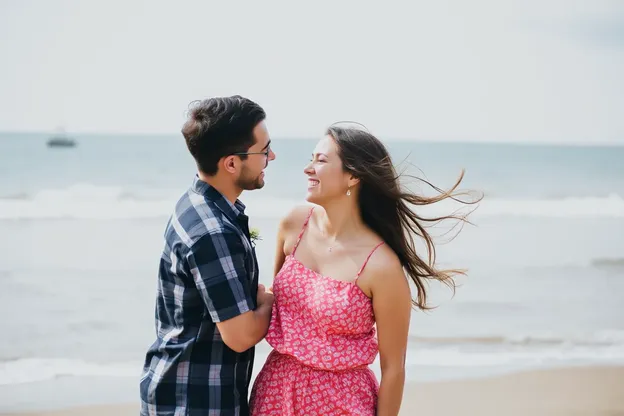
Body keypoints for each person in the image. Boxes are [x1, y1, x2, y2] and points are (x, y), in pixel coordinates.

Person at [249, 124, 476, 415]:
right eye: (311, 158)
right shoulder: (295, 224)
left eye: (321, 160)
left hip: (341, 404)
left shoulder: (381, 266)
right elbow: (276, 300)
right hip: (275, 394)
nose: (308, 168)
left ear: (353, 176)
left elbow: (394, 368)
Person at [140, 95, 276, 416]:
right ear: (231, 163)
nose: (272, 155)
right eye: (263, 150)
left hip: (178, 390)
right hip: (195, 402)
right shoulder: (214, 231)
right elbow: (241, 336)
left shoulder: (196, 202)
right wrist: (269, 300)